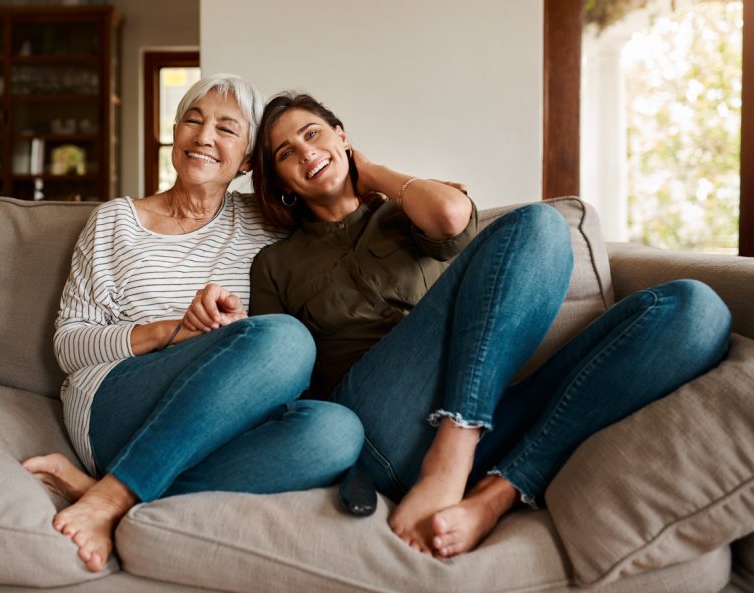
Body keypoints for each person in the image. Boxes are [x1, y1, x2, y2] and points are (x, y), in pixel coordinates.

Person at [189, 91, 731, 559]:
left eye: (314, 134)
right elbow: (281, 378)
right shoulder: (276, 264)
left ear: (342, 135)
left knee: (693, 310)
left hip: (483, 407)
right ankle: (450, 456)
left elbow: (451, 216)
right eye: (287, 153)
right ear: (280, 181)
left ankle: (492, 494)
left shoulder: (406, 212)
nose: (307, 153)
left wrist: (370, 172)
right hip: (380, 425)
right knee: (540, 224)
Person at [20, 77, 364, 573]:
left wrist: (238, 341)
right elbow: (69, 346)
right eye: (193, 120)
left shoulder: (268, 223)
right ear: (175, 133)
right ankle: (117, 492)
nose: (204, 137)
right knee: (284, 338)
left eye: (227, 128)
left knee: (337, 432)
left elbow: (339, 190)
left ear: (249, 160)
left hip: (212, 422)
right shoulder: (116, 222)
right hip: (116, 404)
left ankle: (110, 491)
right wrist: (171, 331)